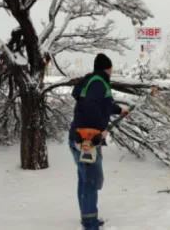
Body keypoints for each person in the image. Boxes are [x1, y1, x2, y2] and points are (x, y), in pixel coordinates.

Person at [69, 53, 129, 230]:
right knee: (91, 181)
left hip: (78, 138)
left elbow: (100, 103)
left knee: (84, 178)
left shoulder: (90, 81)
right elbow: (90, 105)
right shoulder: (99, 82)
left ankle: (88, 217)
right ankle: (90, 224)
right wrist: (99, 129)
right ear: (108, 69)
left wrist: (120, 110)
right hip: (86, 140)